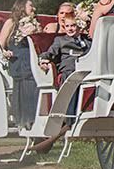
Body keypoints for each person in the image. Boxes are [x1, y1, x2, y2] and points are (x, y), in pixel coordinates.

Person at [34, 19, 92, 154]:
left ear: (79, 27)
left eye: (73, 26)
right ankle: (69, 118)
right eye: (67, 26)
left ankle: (81, 112)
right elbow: (50, 52)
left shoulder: (87, 41)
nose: (70, 29)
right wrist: (43, 59)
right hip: (69, 70)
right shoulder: (60, 41)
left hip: (86, 69)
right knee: (72, 77)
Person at [0, 0, 40, 129]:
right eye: (30, 6)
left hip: (33, 57)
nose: (33, 9)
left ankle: (37, 117)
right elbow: (1, 44)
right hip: (18, 58)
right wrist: (5, 52)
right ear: (22, 7)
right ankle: (28, 119)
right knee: (28, 76)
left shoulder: (36, 24)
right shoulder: (11, 22)